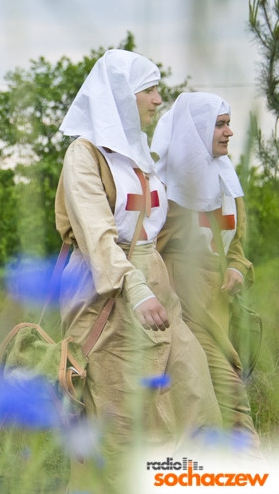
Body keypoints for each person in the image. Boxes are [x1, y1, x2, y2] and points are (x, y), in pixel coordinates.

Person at [55, 50, 221, 491]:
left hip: (157, 290)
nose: (158, 99)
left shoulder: (140, 156)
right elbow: (96, 235)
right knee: (122, 414)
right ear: (121, 96)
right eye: (149, 89)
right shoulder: (84, 154)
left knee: (192, 393)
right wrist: (135, 288)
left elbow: (157, 227)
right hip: (106, 292)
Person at [152, 92, 260, 453]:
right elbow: (146, 250)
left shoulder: (229, 182)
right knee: (233, 406)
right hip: (187, 315)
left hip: (222, 311)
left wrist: (236, 267)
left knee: (205, 417)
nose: (229, 132)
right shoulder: (167, 190)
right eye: (219, 124)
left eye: (229, 123)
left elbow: (237, 246)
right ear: (196, 130)